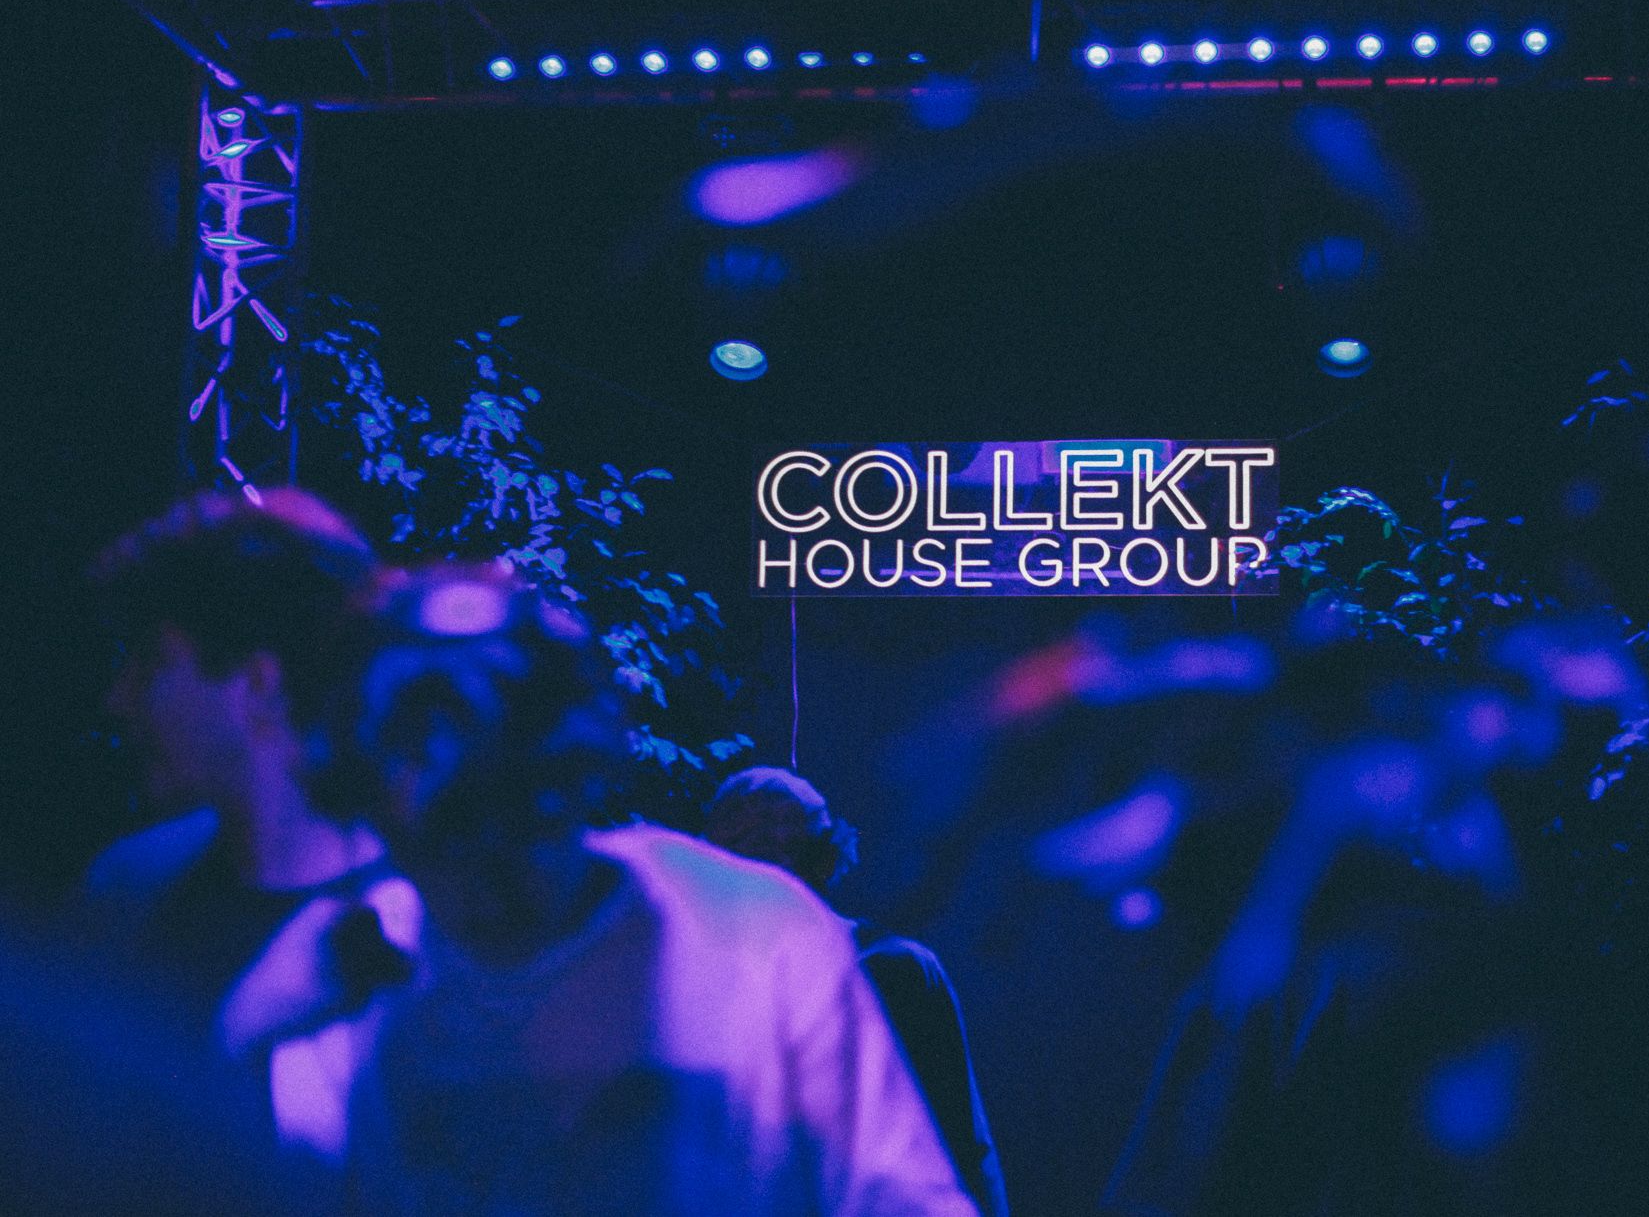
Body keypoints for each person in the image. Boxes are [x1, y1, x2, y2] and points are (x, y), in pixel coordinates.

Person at [317, 564, 976, 1215]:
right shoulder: (359, 966)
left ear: (573, 786)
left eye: (507, 831)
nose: (471, 891)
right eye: (434, 843)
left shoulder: (765, 939)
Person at [83, 489, 402, 1087]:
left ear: (259, 684)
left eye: (152, 663)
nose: (118, 701)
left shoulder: (425, 928)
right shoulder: (125, 889)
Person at [707, 766, 1010, 1217]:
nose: (781, 878)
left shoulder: (893, 971)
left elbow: (959, 1143)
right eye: (758, 860)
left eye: (795, 857)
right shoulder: (707, 985)